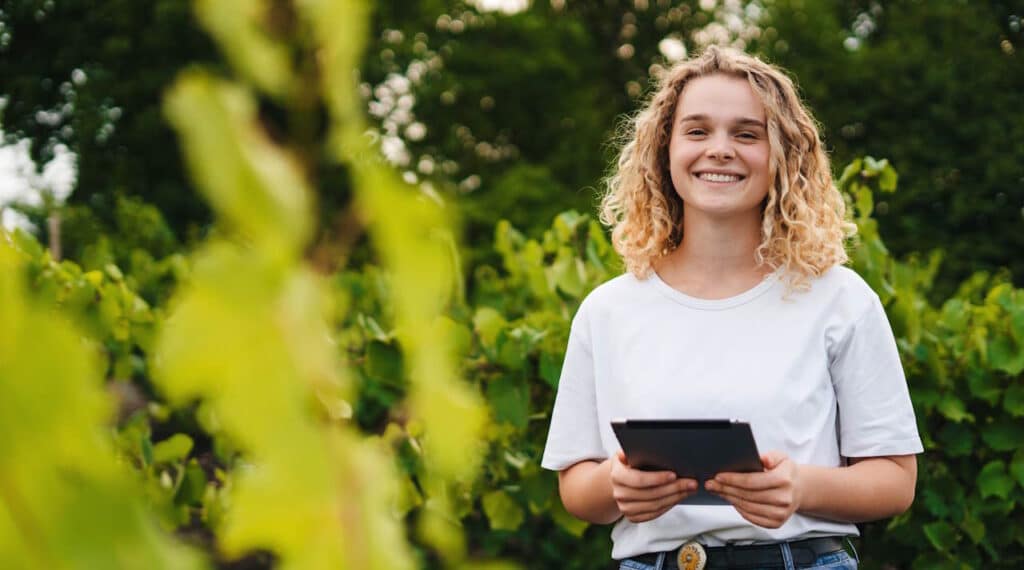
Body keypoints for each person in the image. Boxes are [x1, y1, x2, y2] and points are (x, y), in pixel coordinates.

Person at [540, 46, 922, 570]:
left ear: (783, 153)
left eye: (747, 133)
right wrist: (615, 484)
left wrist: (801, 487)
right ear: (664, 150)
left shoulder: (840, 298)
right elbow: (577, 486)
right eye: (697, 131)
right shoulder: (608, 310)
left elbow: (896, 481)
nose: (719, 149)